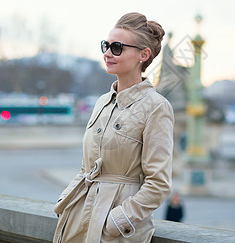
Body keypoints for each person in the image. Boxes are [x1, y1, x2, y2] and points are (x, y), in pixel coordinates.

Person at [52, 12, 174, 243]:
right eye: (106, 46)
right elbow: (86, 166)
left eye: (117, 47)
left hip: (114, 230)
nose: (108, 53)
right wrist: (66, 202)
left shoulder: (157, 107)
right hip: (78, 220)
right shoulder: (101, 102)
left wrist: (118, 220)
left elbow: (159, 183)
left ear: (143, 55)